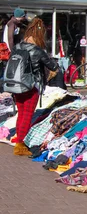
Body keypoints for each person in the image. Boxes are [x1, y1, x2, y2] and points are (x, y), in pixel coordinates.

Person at [11, 18, 58, 156]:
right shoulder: (37, 50)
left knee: (21, 113)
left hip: (16, 85)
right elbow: (52, 66)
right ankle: (21, 145)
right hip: (31, 86)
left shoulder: (17, 47)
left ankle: (19, 141)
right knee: (27, 115)